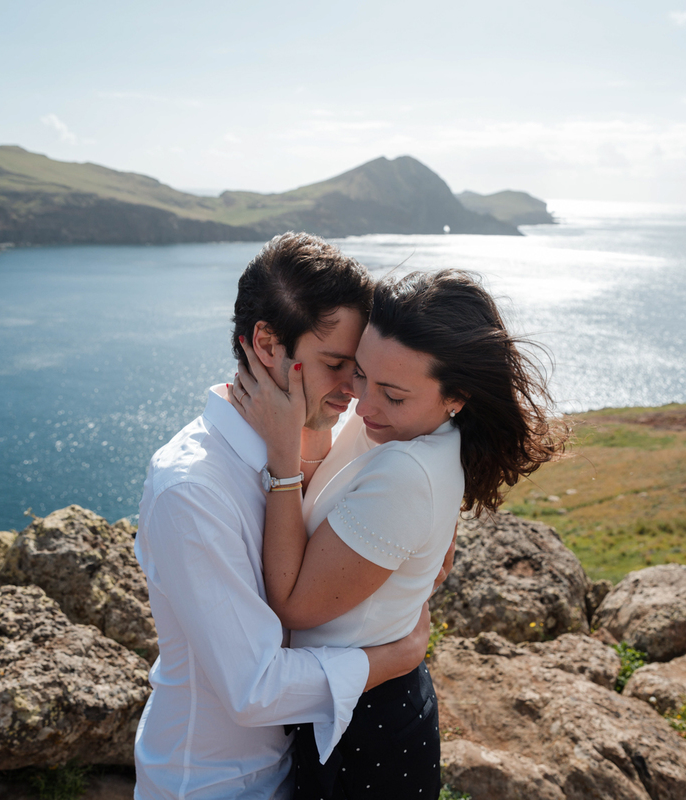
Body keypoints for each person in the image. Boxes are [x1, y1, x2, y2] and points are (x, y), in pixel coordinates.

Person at [231, 268, 564, 799]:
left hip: (365, 729)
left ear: (457, 397)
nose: (363, 405)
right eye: (360, 373)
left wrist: (281, 453)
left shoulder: (409, 471)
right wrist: (309, 419)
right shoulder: (407, 426)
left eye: (393, 393)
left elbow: (293, 604)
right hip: (352, 698)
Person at [132, 233, 434, 800]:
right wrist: (396, 657)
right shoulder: (191, 490)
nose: (355, 391)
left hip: (310, 770)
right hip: (211, 782)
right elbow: (254, 686)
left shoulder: (345, 433)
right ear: (267, 343)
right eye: (336, 364)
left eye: (362, 367)